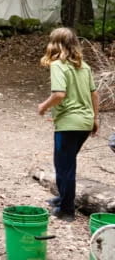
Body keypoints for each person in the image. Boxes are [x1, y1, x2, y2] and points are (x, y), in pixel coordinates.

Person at [37, 27, 99, 222]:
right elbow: (94, 94)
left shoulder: (58, 65)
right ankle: (62, 198)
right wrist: (95, 118)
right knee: (65, 163)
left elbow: (59, 94)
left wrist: (43, 106)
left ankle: (66, 210)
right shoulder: (84, 66)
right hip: (85, 122)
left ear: (55, 44)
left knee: (65, 166)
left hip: (69, 123)